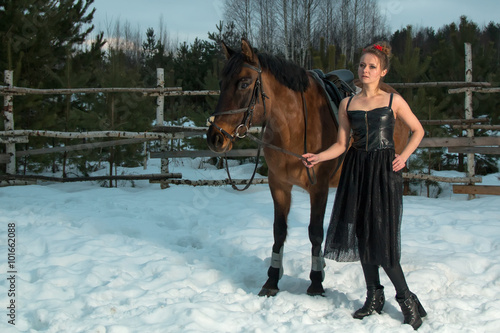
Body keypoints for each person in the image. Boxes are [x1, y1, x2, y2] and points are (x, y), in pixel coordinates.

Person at [302, 42, 426, 330]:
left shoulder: (393, 101)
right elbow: (341, 144)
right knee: (360, 235)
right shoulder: (348, 103)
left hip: (383, 172)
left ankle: (407, 300)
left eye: (372, 66)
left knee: (382, 240)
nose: (365, 70)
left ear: (383, 71)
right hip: (356, 171)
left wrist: (404, 156)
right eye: (362, 65)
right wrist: (318, 156)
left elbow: (418, 130)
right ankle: (374, 296)